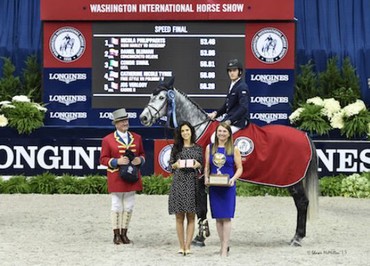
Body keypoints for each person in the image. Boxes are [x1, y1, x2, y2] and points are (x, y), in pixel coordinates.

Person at [100, 108, 145, 245]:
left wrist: (140, 160)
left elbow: (142, 154)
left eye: (126, 120)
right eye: (122, 121)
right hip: (116, 176)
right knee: (116, 205)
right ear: (116, 124)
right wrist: (116, 162)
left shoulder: (137, 137)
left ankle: (124, 233)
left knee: (129, 205)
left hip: (131, 175)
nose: (125, 123)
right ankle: (116, 234)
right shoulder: (108, 140)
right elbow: (103, 159)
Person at [204, 122, 243, 257]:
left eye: (224, 132)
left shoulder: (234, 149)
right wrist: (206, 178)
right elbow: (207, 166)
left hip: (228, 187)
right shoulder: (210, 148)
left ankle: (225, 247)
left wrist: (233, 179)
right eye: (219, 131)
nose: (221, 134)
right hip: (215, 187)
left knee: (226, 218)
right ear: (216, 133)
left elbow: (239, 168)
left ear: (229, 134)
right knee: (218, 218)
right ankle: (222, 246)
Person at [169, 121, 203, 255]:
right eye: (182, 131)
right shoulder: (176, 148)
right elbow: (170, 166)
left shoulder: (198, 148)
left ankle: (188, 246)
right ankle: (181, 245)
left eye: (187, 130)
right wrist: (175, 165)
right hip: (179, 182)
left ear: (191, 132)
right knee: (179, 217)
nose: (185, 133)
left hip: (192, 183)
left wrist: (197, 165)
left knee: (191, 216)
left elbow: (202, 166)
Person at [208, 59, 250, 141]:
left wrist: (230, 121)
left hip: (238, 122)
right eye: (230, 71)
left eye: (234, 70)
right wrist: (216, 114)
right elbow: (227, 106)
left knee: (215, 138)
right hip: (230, 119)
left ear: (240, 72)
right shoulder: (233, 85)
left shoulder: (242, 86)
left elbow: (243, 108)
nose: (231, 73)